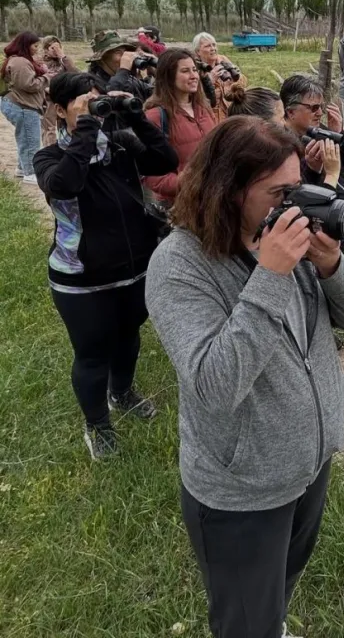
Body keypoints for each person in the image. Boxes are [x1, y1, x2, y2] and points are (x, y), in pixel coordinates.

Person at [145, 117, 344, 638]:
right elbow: (216, 385)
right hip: (241, 488)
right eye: (279, 193)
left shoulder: (281, 235)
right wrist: (270, 276)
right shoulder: (179, 264)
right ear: (228, 190)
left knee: (278, 589)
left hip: (307, 464)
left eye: (296, 188)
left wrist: (333, 265)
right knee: (245, 620)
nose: (293, 204)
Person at [33, 71, 178, 459]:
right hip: (82, 278)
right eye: (83, 100)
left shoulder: (119, 145)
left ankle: (123, 392)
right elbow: (64, 185)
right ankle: (96, 424)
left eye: (96, 98)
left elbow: (166, 159)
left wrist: (132, 116)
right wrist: (84, 130)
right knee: (93, 352)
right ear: (60, 109)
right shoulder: (50, 156)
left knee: (129, 336)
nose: (93, 106)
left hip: (134, 268)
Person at [143, 49, 217, 206]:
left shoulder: (204, 108)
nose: (193, 76)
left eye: (194, 70)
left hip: (210, 200)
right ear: (168, 77)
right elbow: (151, 177)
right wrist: (185, 183)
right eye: (185, 71)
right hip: (179, 206)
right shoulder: (155, 116)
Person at [281, 74, 344, 203]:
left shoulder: (320, 131)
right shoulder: (282, 146)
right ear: (291, 112)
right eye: (314, 108)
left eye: (321, 107)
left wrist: (339, 133)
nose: (320, 113)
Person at [1, 30, 47, 183]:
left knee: (24, 138)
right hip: (22, 106)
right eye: (35, 45)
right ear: (25, 45)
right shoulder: (20, 62)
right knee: (30, 140)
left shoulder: (17, 60)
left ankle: (22, 168)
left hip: (18, 104)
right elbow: (29, 85)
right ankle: (30, 173)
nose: (37, 49)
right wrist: (46, 78)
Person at [192, 32, 247, 122]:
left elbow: (243, 84)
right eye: (207, 46)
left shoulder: (223, 60)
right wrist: (209, 81)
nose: (213, 48)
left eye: (214, 45)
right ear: (198, 51)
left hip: (231, 116)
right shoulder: (195, 69)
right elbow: (193, 98)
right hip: (211, 119)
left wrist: (236, 77)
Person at [40, 36, 78, 145]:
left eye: (58, 47)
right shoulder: (41, 63)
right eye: (53, 48)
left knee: (65, 126)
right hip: (47, 100)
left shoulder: (64, 61)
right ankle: (50, 151)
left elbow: (76, 74)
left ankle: (65, 147)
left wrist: (62, 56)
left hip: (63, 98)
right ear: (46, 49)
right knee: (49, 129)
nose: (56, 50)